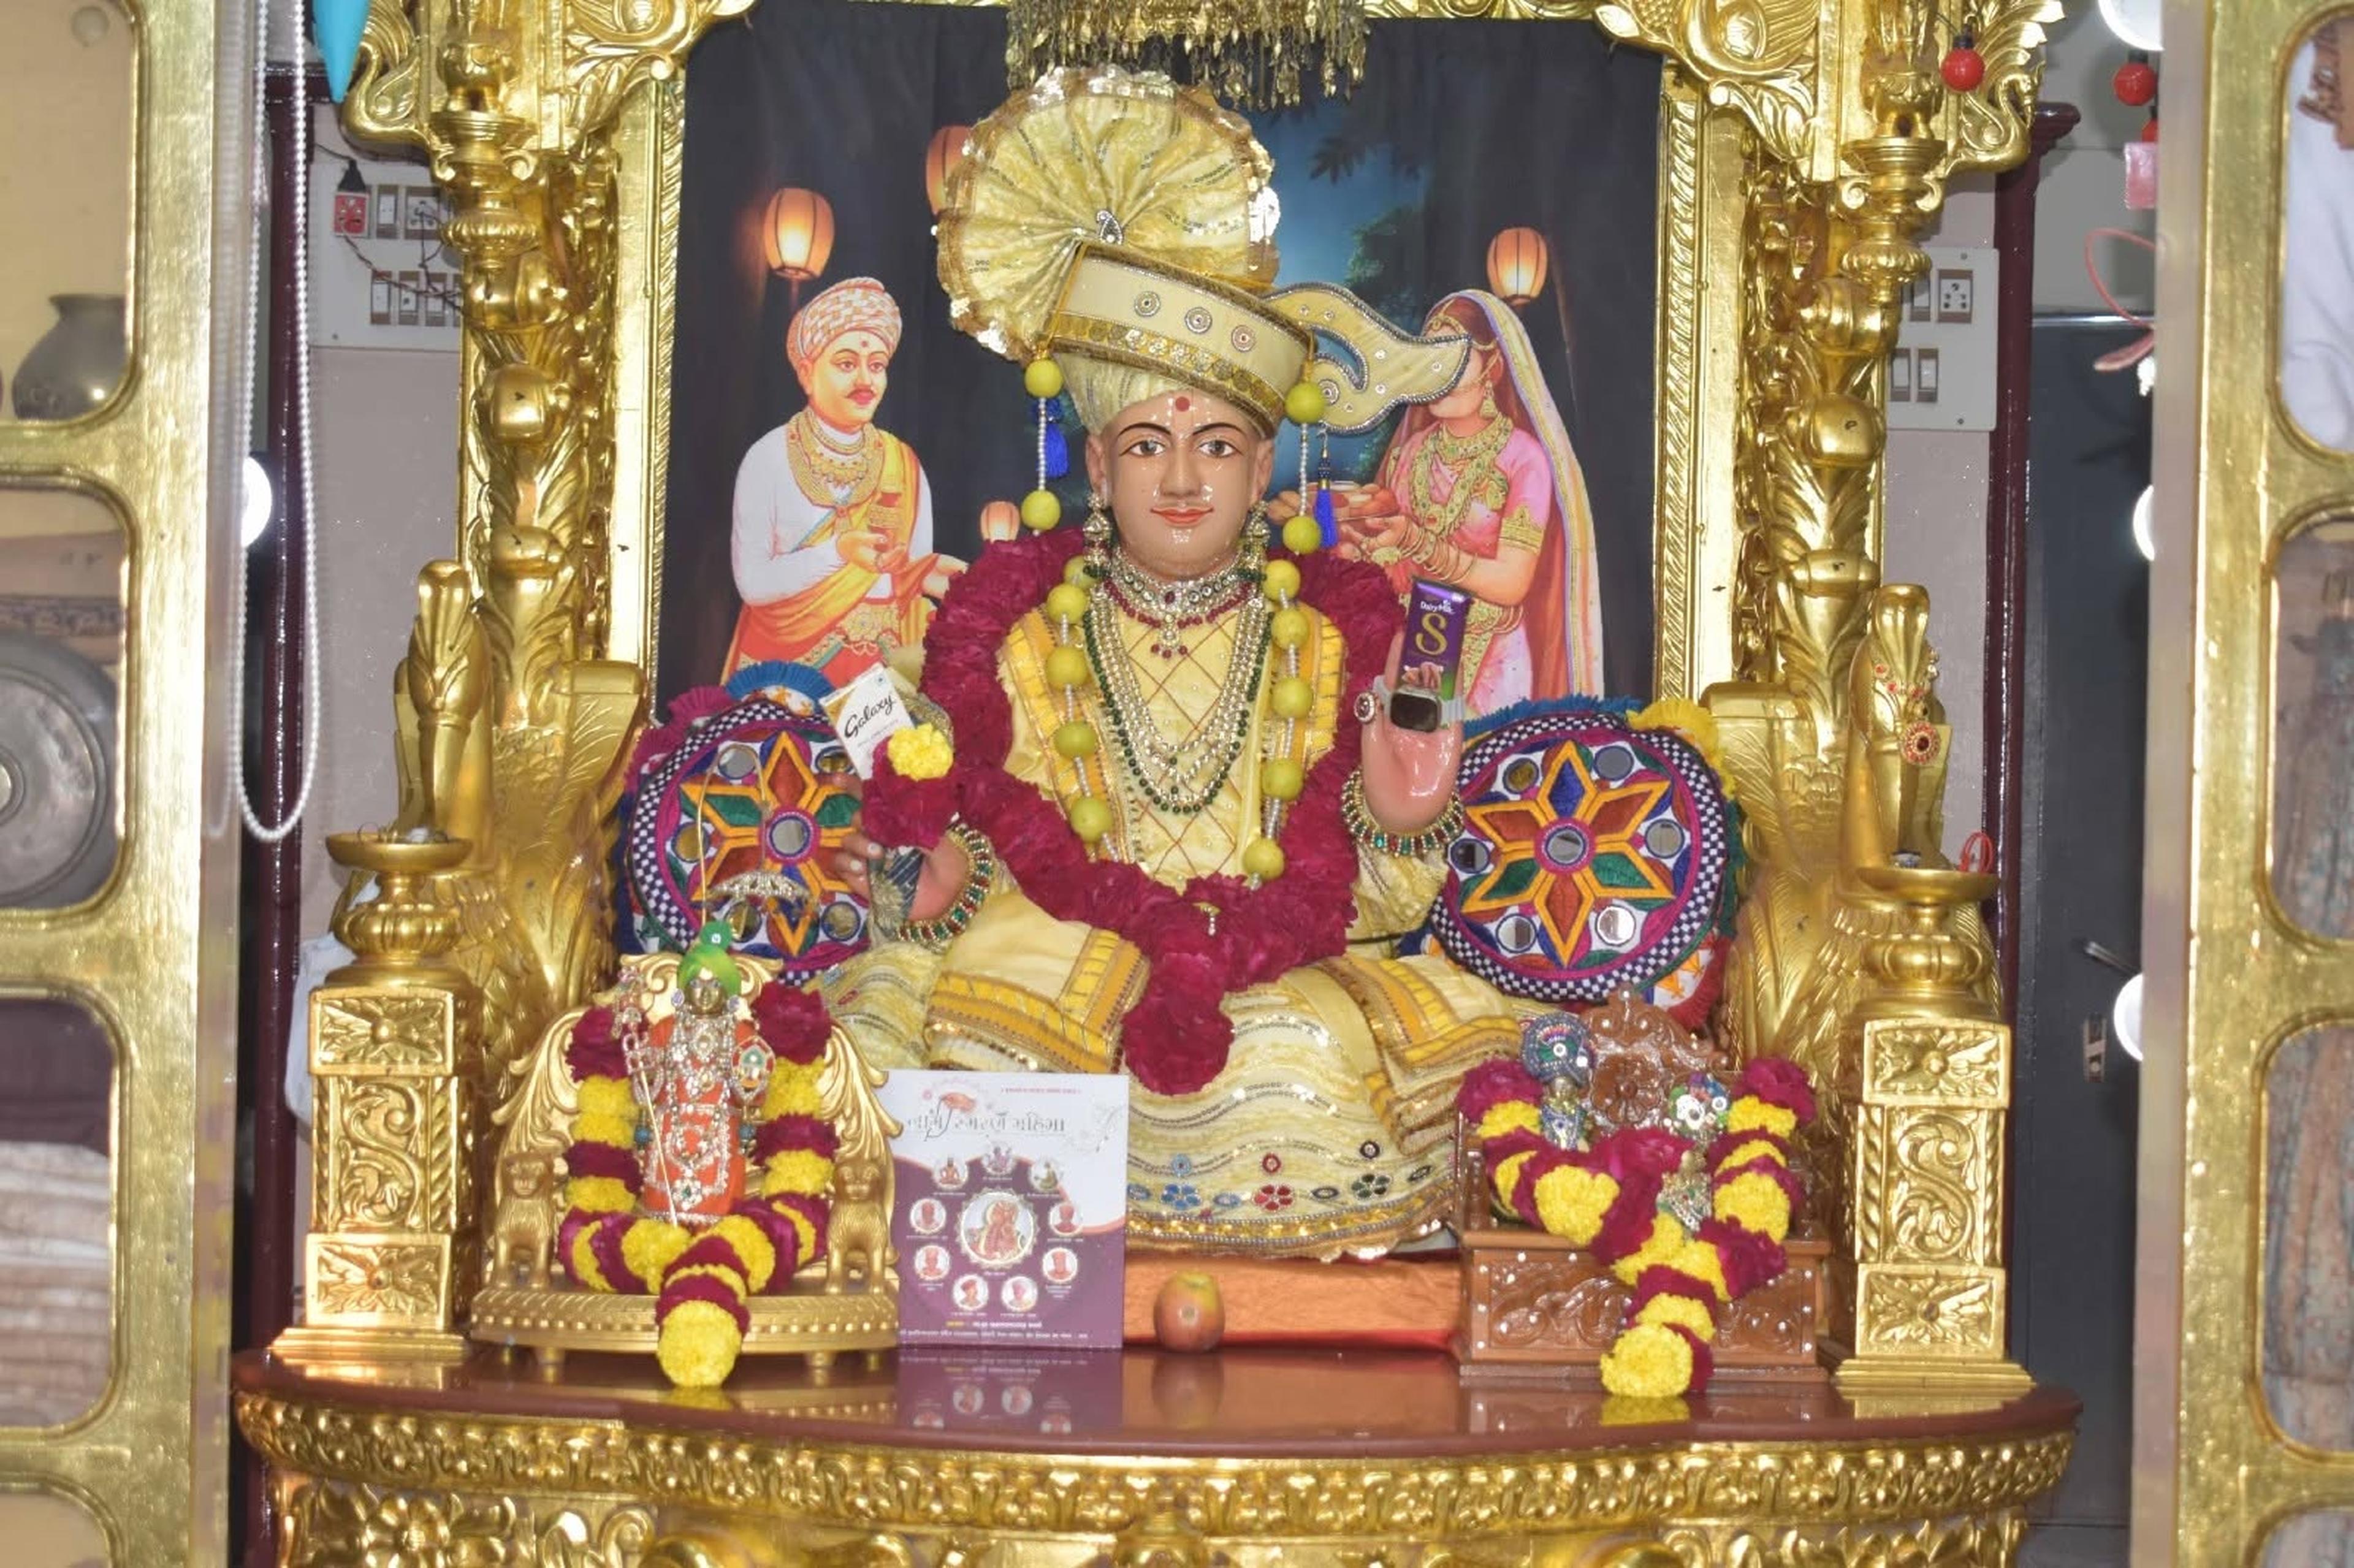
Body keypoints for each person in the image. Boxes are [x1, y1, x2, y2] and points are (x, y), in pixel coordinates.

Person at [820, 70, 1525, 1258]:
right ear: (1099, 469)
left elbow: (1367, 897)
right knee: (950, 1050)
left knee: (1308, 1063)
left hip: (1270, 980)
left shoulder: (1331, 638)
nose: (1185, 478)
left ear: (1263, 469)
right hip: (1049, 971)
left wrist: (1400, 816)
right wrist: (933, 878)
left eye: (1219, 446)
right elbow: (979, 853)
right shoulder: (1019, 637)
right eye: (1149, 445)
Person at [1292, 292, 1604, 709]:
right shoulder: (1412, 453)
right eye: (1429, 360)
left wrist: (1417, 542)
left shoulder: (1522, 458)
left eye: (1452, 360)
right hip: (1412, 653)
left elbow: (1512, 583)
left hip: (1493, 660)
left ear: (1493, 367)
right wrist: (1347, 534)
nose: (1436, 375)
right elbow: (1393, 564)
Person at [726, 278, 962, 684]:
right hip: (787, 677)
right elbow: (754, 583)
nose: (866, 381)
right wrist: (839, 551)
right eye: (847, 364)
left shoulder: (903, 463)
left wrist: (959, 581)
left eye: (877, 366)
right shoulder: (769, 458)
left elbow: (905, 577)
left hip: (877, 678)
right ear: (807, 374)